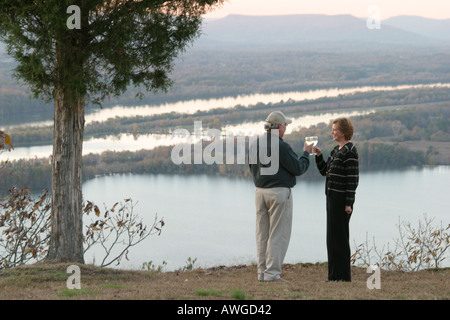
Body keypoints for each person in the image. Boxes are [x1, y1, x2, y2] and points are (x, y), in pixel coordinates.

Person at [249, 111, 312, 282]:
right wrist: (306, 153)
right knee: (278, 233)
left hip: (259, 192)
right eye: (285, 125)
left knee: (262, 234)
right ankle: (272, 274)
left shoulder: (254, 144)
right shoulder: (282, 146)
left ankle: (262, 273)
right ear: (279, 127)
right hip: (278, 193)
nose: (286, 128)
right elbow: (298, 168)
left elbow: (252, 167)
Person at [313, 117, 359, 282]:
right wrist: (318, 156)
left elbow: (352, 180)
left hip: (341, 201)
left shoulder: (350, 151)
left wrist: (348, 203)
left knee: (340, 238)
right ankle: (334, 276)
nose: (332, 132)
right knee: (332, 238)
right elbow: (325, 171)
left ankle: (343, 277)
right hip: (331, 198)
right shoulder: (336, 150)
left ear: (344, 132)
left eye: (335, 129)